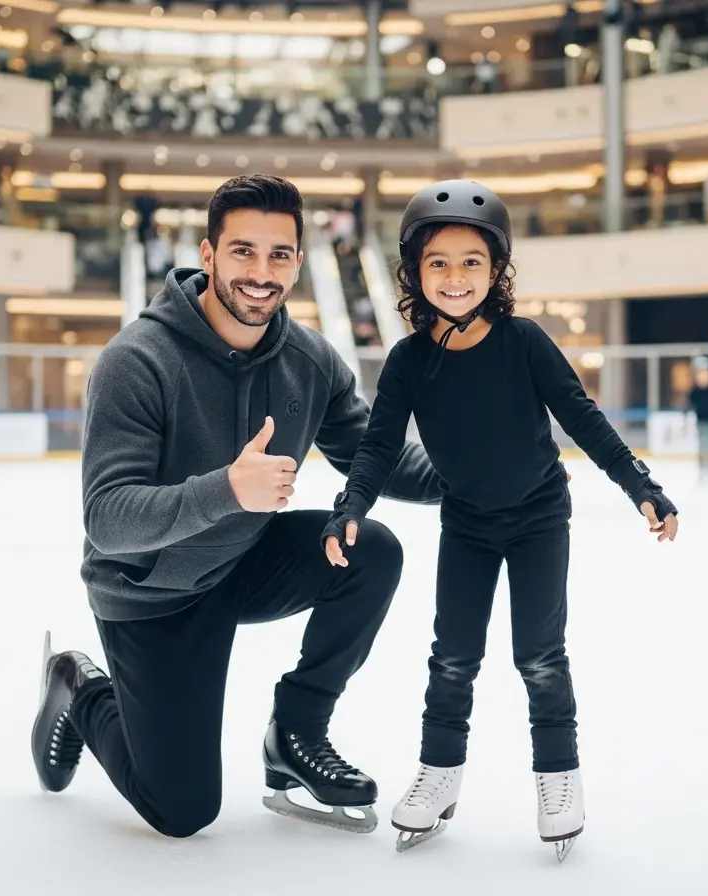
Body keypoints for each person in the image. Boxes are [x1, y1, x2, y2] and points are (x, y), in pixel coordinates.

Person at [30, 174, 443, 839]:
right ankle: (79, 688)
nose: (261, 272)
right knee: (182, 810)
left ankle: (297, 735)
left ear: (299, 263)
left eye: (279, 254)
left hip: (239, 562)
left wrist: (482, 477)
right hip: (150, 590)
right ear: (210, 253)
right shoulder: (137, 362)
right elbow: (106, 519)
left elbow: (375, 457)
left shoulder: (310, 361)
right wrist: (227, 489)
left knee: (373, 550)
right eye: (243, 252)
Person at [318, 180, 680, 861]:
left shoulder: (523, 342)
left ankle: (559, 779)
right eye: (438, 263)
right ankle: (439, 775)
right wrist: (350, 509)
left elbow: (582, 418)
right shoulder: (408, 362)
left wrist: (640, 485)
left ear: (496, 271)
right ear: (414, 273)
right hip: (468, 523)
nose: (455, 278)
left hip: (540, 516)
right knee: (451, 657)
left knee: (539, 657)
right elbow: (377, 447)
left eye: (471, 262)